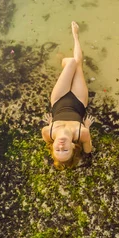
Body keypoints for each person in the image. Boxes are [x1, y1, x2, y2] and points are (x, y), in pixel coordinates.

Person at [42, 22, 94, 170]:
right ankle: (75, 36)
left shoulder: (48, 132)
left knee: (70, 62)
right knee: (78, 64)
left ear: (53, 148)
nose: (61, 146)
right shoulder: (81, 133)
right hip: (78, 101)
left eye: (58, 150)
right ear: (73, 146)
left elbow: (48, 140)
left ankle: (63, 62)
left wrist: (51, 123)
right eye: (65, 150)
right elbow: (88, 150)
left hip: (59, 100)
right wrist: (87, 127)